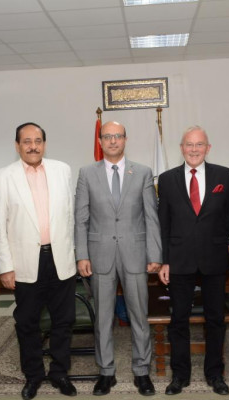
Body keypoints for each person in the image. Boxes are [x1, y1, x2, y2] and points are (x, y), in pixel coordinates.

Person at [75, 121, 162, 396]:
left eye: (118, 136)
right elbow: (81, 219)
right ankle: (106, 372)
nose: (113, 141)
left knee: (139, 315)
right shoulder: (87, 173)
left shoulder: (143, 172)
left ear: (125, 139)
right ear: (100, 141)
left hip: (135, 254)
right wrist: (81, 255)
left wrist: (155, 254)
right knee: (103, 318)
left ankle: (142, 371)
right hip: (99, 255)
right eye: (107, 136)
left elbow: (151, 217)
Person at [0, 122, 77, 400]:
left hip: (60, 258)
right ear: (17, 145)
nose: (33, 146)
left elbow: (70, 216)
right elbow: (0, 226)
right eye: (27, 141)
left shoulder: (62, 170)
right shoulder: (4, 177)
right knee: (27, 323)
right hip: (26, 263)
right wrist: (5, 267)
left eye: (38, 141)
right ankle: (33, 375)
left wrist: (74, 253)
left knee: (63, 320)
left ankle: (60, 372)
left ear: (44, 144)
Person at [157, 126, 229, 396]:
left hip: (214, 258)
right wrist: (164, 261)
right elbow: (164, 223)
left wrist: (216, 237)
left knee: (215, 319)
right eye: (189, 144)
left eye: (199, 144)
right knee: (179, 319)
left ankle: (215, 374)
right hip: (179, 260)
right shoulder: (167, 179)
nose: (194, 149)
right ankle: (180, 375)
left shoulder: (225, 176)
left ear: (208, 148)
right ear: (181, 148)